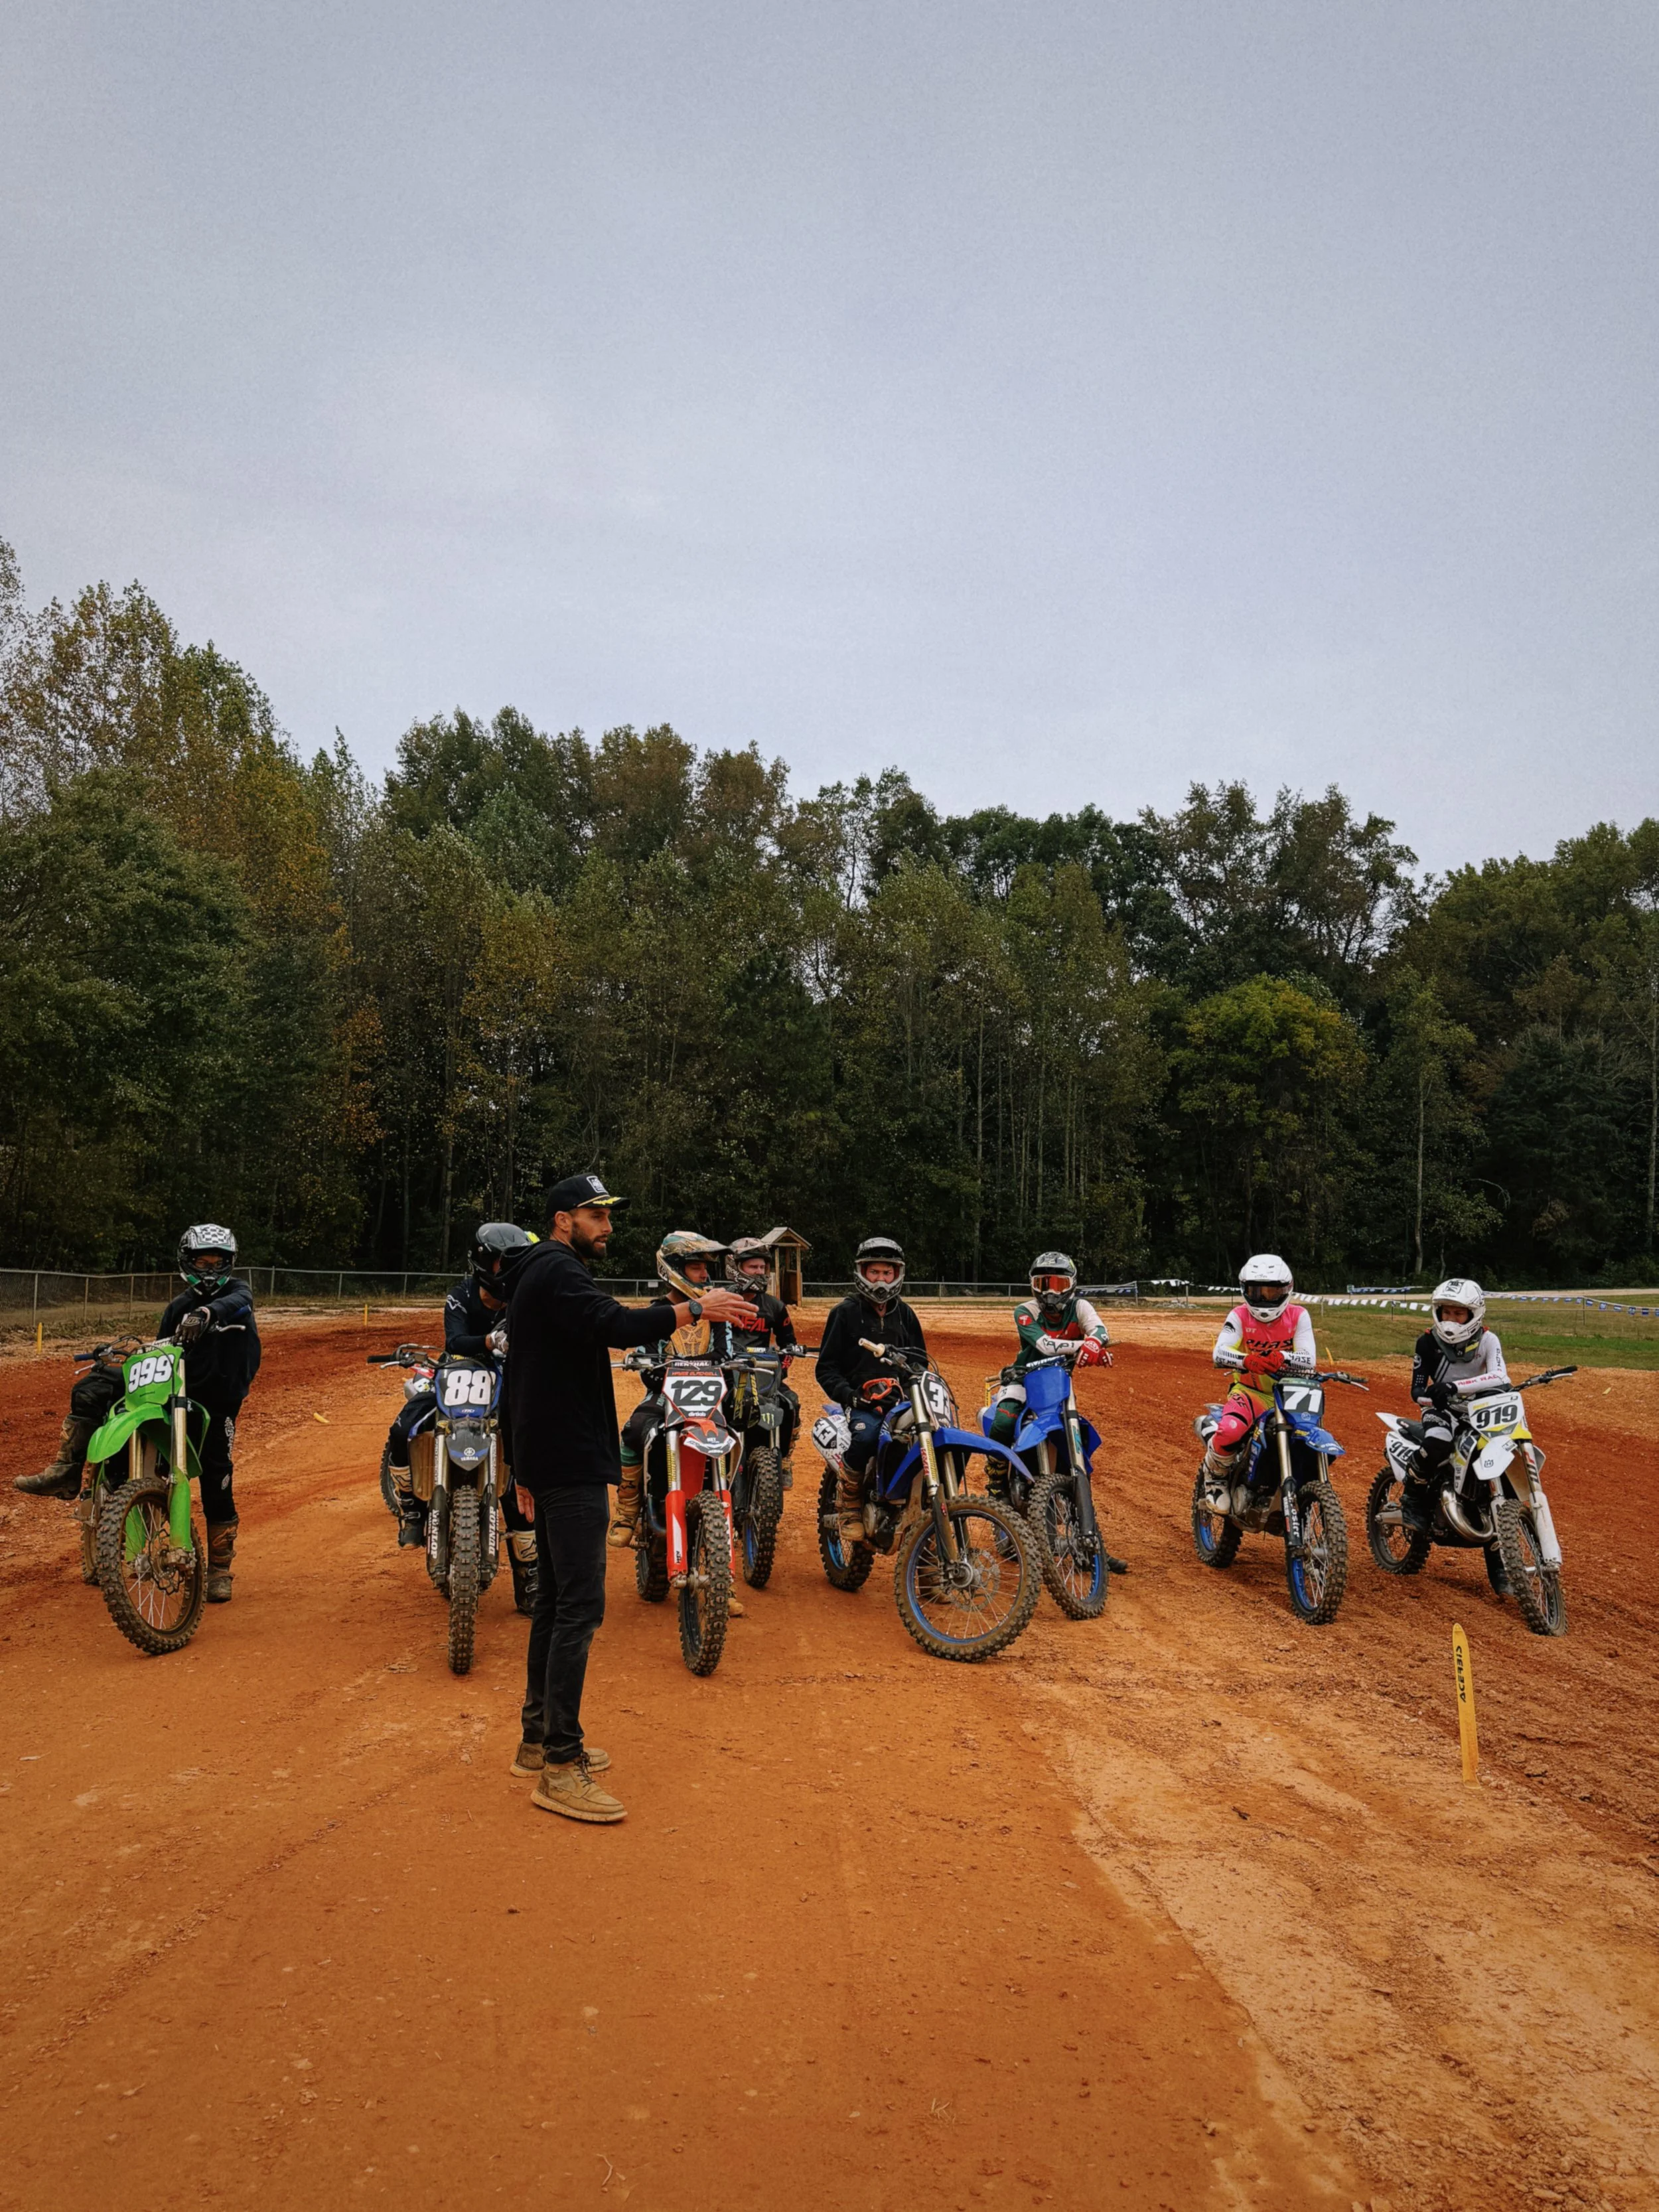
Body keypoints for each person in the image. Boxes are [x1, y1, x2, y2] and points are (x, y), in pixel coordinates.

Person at [506, 1174, 758, 1824]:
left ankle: (539, 1739)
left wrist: (520, 1470)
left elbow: (522, 1376)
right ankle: (561, 1767)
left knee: (557, 1603)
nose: (608, 1228)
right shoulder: (556, 1270)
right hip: (570, 1462)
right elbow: (615, 1326)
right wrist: (696, 1309)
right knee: (579, 1612)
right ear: (565, 1220)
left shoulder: (542, 1270)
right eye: (598, 1217)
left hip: (553, 1459)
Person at [17, 1224, 262, 1604]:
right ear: (188, 1262)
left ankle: (219, 1570)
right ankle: (67, 1471)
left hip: (219, 1402)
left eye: (219, 1262)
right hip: (173, 1391)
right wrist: (127, 1355)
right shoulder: (177, 1308)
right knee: (95, 1386)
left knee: (217, 1474)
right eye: (202, 1261)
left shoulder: (237, 1295)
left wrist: (206, 1313)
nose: (211, 1269)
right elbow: (160, 1350)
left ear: (231, 1264)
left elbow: (236, 1302)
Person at [383, 1221, 540, 1614]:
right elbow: (454, 1341)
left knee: (515, 1467)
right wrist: (491, 1341)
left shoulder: (524, 1296)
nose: (511, 1270)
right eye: (506, 1262)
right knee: (403, 1429)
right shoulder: (461, 1296)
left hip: (503, 1382)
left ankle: (529, 1573)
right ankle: (411, 1507)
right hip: (455, 1375)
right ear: (487, 1262)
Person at [985, 1251, 1126, 1574]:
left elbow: (1100, 1330)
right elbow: (1046, 1344)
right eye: (1042, 1283)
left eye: (1058, 1283)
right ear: (1033, 1286)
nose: (1050, 1291)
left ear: (1072, 1285)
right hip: (1023, 1379)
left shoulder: (1081, 1307)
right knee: (1005, 1416)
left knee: (1077, 1460)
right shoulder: (1025, 1311)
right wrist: (1088, 1348)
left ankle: (1093, 1543)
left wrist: (1097, 1343)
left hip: (1058, 1385)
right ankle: (995, 1478)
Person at [814, 1235, 928, 1552]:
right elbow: (826, 1368)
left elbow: (920, 1361)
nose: (880, 1279)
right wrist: (850, 1396)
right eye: (874, 1272)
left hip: (903, 1401)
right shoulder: (845, 1313)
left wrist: (916, 1384)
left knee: (931, 1438)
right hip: (861, 1402)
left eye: (887, 1273)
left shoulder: (905, 1314)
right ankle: (849, 1505)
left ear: (897, 1274)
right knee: (865, 1439)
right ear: (862, 1273)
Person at [1198, 1253, 1315, 1513]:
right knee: (1230, 1430)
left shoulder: (1299, 1316)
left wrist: (1282, 1357)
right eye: (1256, 1291)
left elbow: (1309, 1358)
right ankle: (1215, 1477)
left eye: (1271, 1292)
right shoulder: (1239, 1315)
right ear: (1245, 1290)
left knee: (1308, 1440)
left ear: (1286, 1290)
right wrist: (1247, 1361)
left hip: (1290, 1395)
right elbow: (1219, 1352)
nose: (1263, 1298)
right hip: (1250, 1392)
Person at [1406, 1277, 1510, 1538]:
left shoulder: (1488, 1339)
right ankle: (1412, 1498)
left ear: (1473, 1314)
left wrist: (1455, 1387)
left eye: (1459, 1313)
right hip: (1442, 1410)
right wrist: (1432, 1398)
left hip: (1481, 1409)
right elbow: (1417, 1391)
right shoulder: (1427, 1342)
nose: (1451, 1318)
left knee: (1499, 1458)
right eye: (1447, 1312)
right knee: (1438, 1442)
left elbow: (1500, 1376)